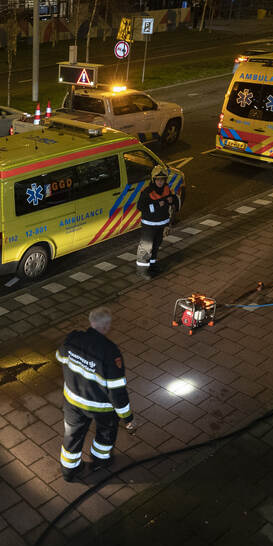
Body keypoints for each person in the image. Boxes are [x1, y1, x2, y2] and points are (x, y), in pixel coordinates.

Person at [55, 307, 136, 482]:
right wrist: (127, 418)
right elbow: (117, 391)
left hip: (72, 402)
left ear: (91, 322)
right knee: (106, 433)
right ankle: (99, 461)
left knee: (72, 435)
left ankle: (69, 470)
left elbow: (59, 357)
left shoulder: (73, 338)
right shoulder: (110, 352)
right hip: (100, 408)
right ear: (106, 326)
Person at [135, 166, 179, 276]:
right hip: (149, 226)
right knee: (146, 248)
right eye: (158, 179)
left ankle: (152, 266)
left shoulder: (167, 189)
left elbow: (174, 202)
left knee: (155, 247)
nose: (160, 182)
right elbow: (140, 207)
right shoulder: (147, 191)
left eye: (162, 179)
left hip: (161, 224)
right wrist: (156, 205)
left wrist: (172, 200)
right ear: (153, 179)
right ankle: (142, 271)